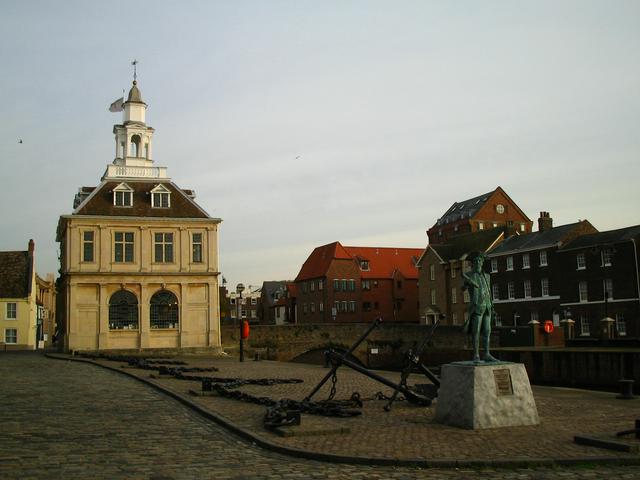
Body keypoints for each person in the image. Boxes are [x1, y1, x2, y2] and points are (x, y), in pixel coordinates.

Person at [462, 252, 498, 363]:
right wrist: (467, 284)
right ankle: (476, 355)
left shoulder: (487, 276)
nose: (478, 262)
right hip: (477, 306)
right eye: (476, 261)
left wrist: (492, 305)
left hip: (487, 305)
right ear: (473, 263)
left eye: (479, 261)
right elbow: (462, 288)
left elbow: (488, 291)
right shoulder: (469, 275)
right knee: (476, 331)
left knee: (487, 331)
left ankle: (487, 353)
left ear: (482, 263)